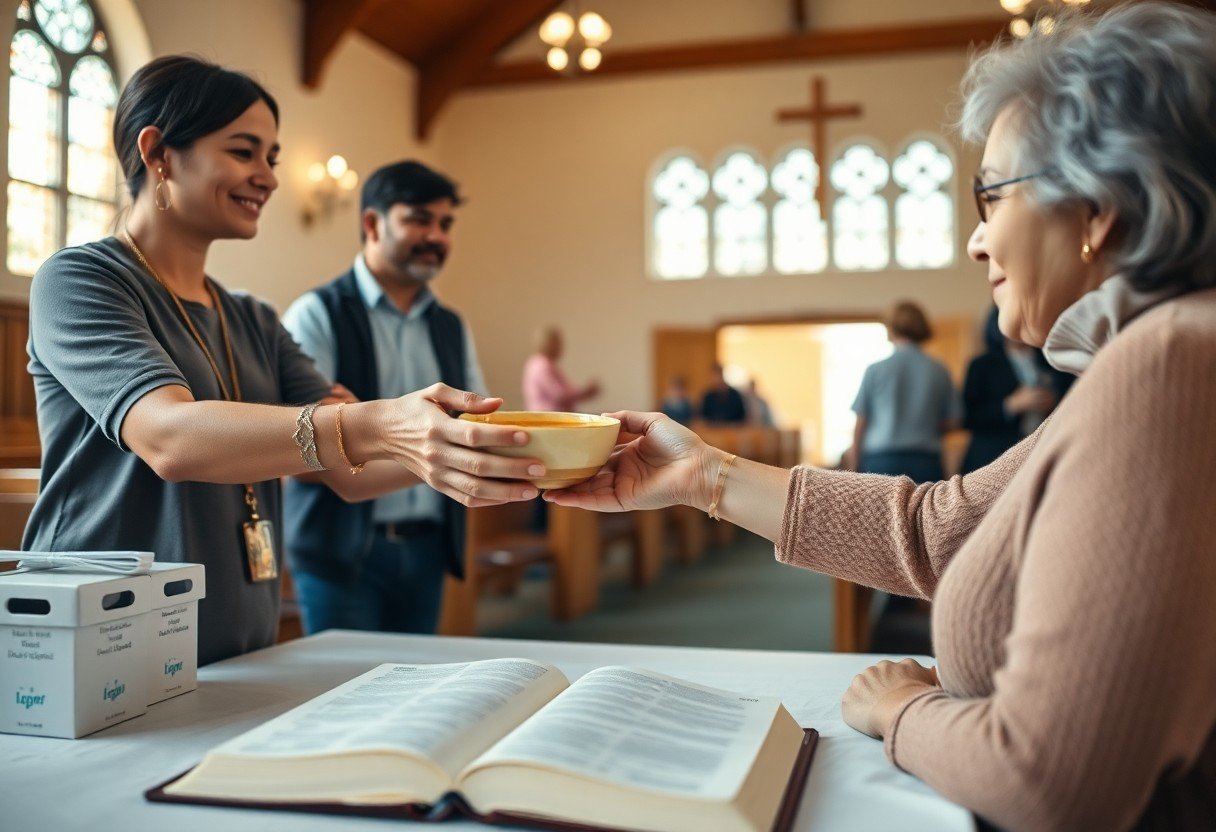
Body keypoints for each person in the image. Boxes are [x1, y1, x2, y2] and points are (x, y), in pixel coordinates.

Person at [544, 5, 1216, 828]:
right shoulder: (1155, 356)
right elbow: (943, 530)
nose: (975, 243)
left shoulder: (1170, 362)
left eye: (989, 195)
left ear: (1096, 209)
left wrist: (901, 710)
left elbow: (1051, 784)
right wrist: (701, 476)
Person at [22, 56, 541, 667]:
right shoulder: (81, 280)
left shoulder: (255, 320)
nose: (267, 177)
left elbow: (349, 473)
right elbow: (170, 439)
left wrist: (503, 451)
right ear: (159, 152)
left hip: (236, 632)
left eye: (271, 157)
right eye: (244, 152)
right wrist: (379, 424)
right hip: (104, 630)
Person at [281, 161, 488, 636]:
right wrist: (439, 435)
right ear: (372, 223)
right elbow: (303, 448)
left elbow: (476, 427)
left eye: (445, 224)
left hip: (428, 545)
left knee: (416, 697)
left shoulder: (450, 325)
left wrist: (358, 427)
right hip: (342, 549)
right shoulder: (318, 314)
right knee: (348, 698)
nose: (436, 236)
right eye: (419, 219)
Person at [849, 301, 960, 482]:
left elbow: (861, 422)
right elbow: (954, 421)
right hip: (925, 461)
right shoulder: (940, 370)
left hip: (880, 461)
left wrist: (853, 467)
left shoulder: (876, 370)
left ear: (891, 329)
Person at [960, 306, 1072, 473]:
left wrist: (1054, 402)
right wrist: (1010, 405)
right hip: (993, 460)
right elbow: (967, 417)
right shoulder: (981, 365)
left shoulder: (1053, 360)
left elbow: (1071, 398)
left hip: (1046, 455)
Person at [521, 327, 599, 412]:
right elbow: (560, 395)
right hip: (549, 420)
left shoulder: (536, 362)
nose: (561, 347)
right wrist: (586, 392)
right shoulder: (542, 365)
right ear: (550, 343)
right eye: (558, 343)